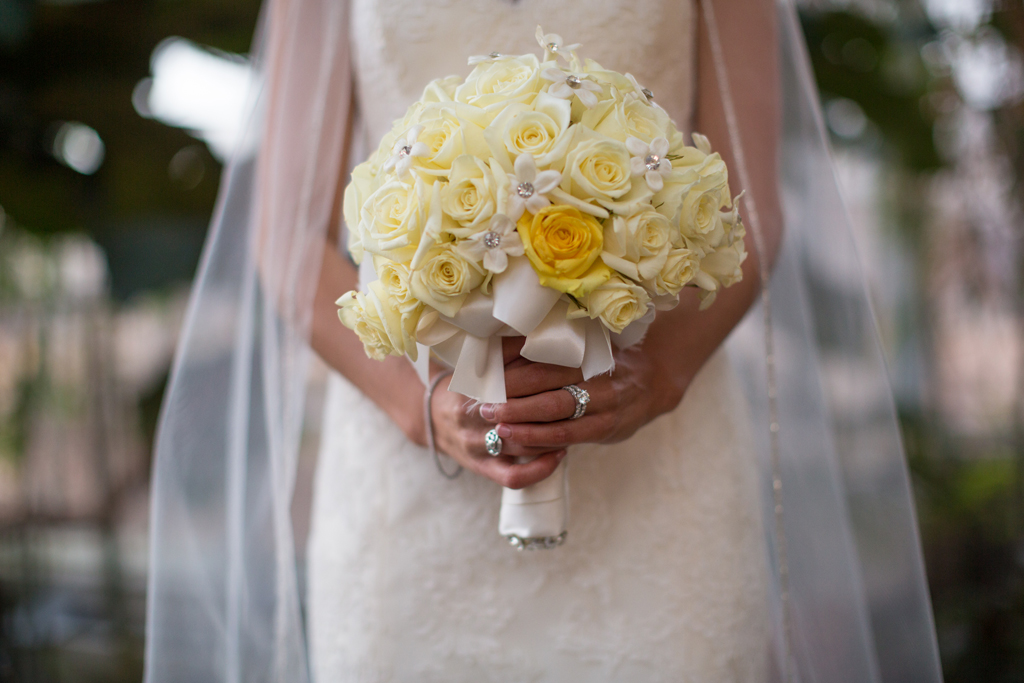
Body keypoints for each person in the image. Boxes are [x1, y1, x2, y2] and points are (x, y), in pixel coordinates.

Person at [144, 0, 943, 681]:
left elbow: (749, 207)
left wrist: (656, 373)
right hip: (406, 501)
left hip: (660, 488)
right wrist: (420, 404)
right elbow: (285, 233)